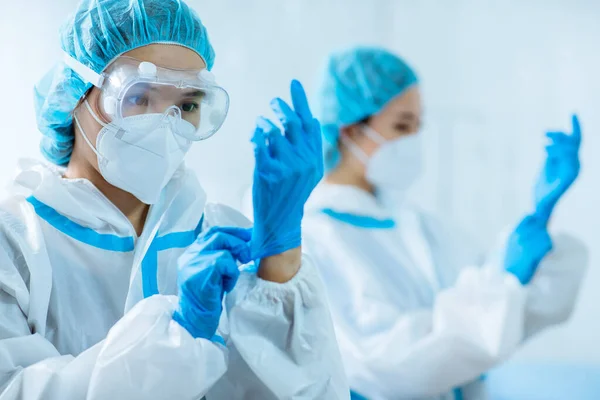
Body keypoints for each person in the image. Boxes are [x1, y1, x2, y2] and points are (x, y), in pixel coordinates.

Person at [0, 1, 349, 399]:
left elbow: (306, 390)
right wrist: (178, 331)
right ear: (76, 94)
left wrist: (280, 263)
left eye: (187, 105)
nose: (166, 124)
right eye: (139, 96)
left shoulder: (217, 234)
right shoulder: (15, 242)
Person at [300, 46, 588, 400]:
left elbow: (509, 313)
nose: (414, 139)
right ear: (350, 131)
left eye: (418, 125)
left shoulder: (414, 224)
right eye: (402, 125)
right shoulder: (314, 237)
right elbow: (390, 366)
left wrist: (538, 218)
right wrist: (505, 281)